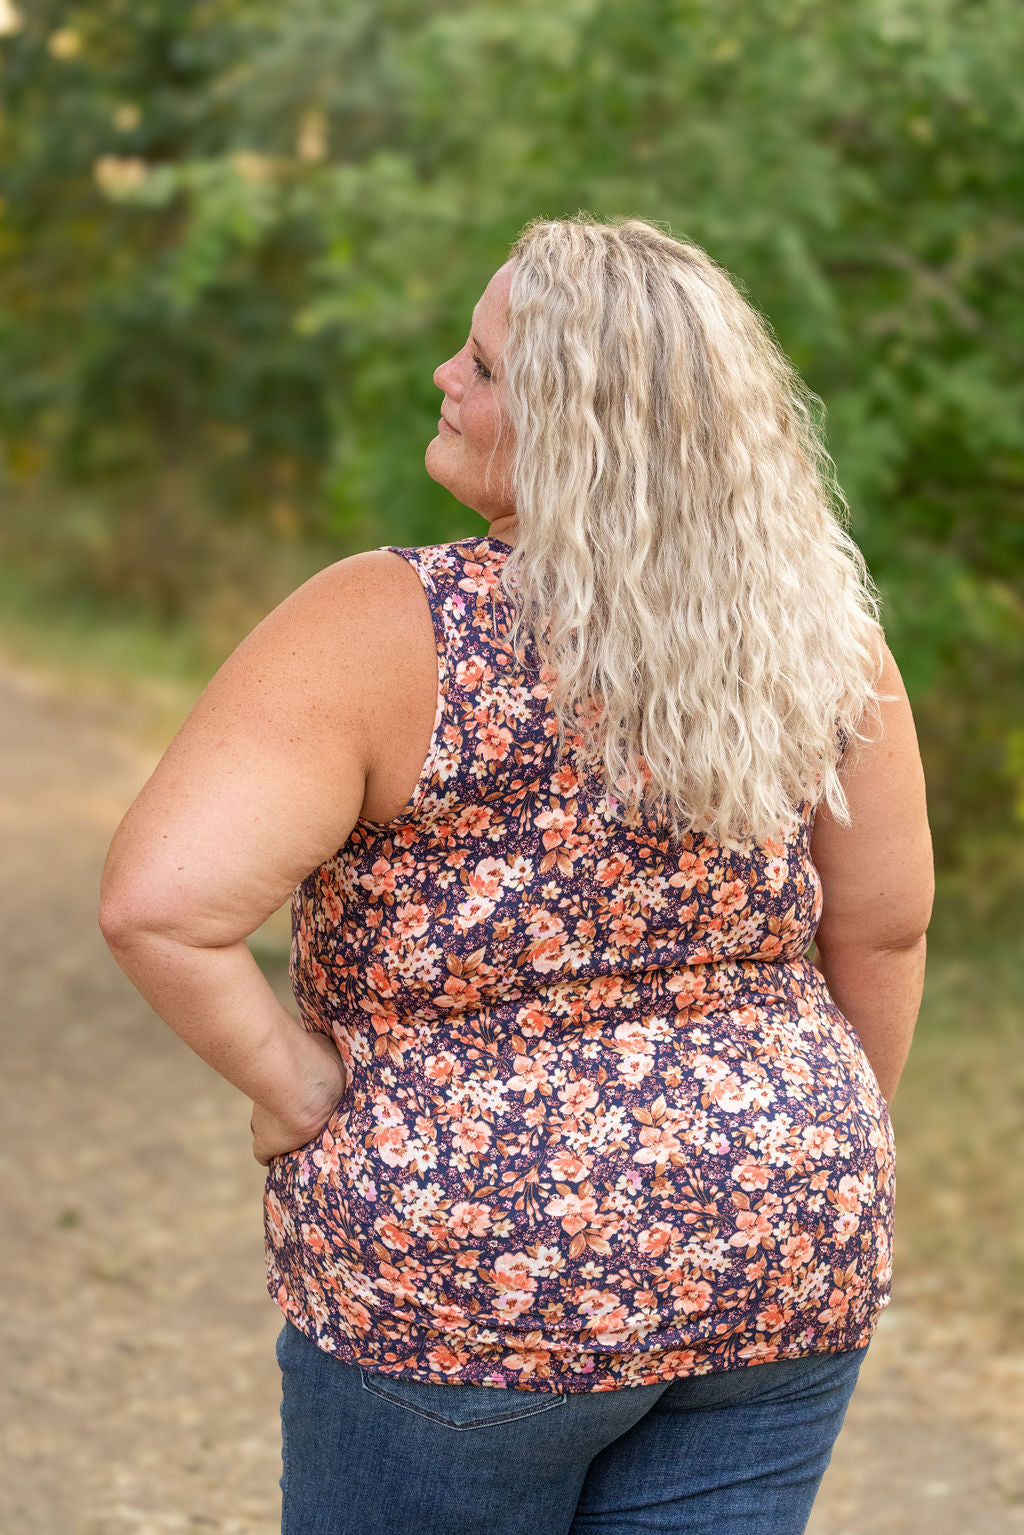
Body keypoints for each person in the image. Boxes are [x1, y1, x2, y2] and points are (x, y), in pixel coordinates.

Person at [99, 215, 934, 1535]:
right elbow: (882, 935)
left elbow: (160, 906)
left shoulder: (386, 628)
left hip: (466, 1285)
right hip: (782, 1255)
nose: (444, 373)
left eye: (481, 366)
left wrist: (296, 1084)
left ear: (575, 429)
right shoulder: (824, 632)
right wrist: (786, 1154)